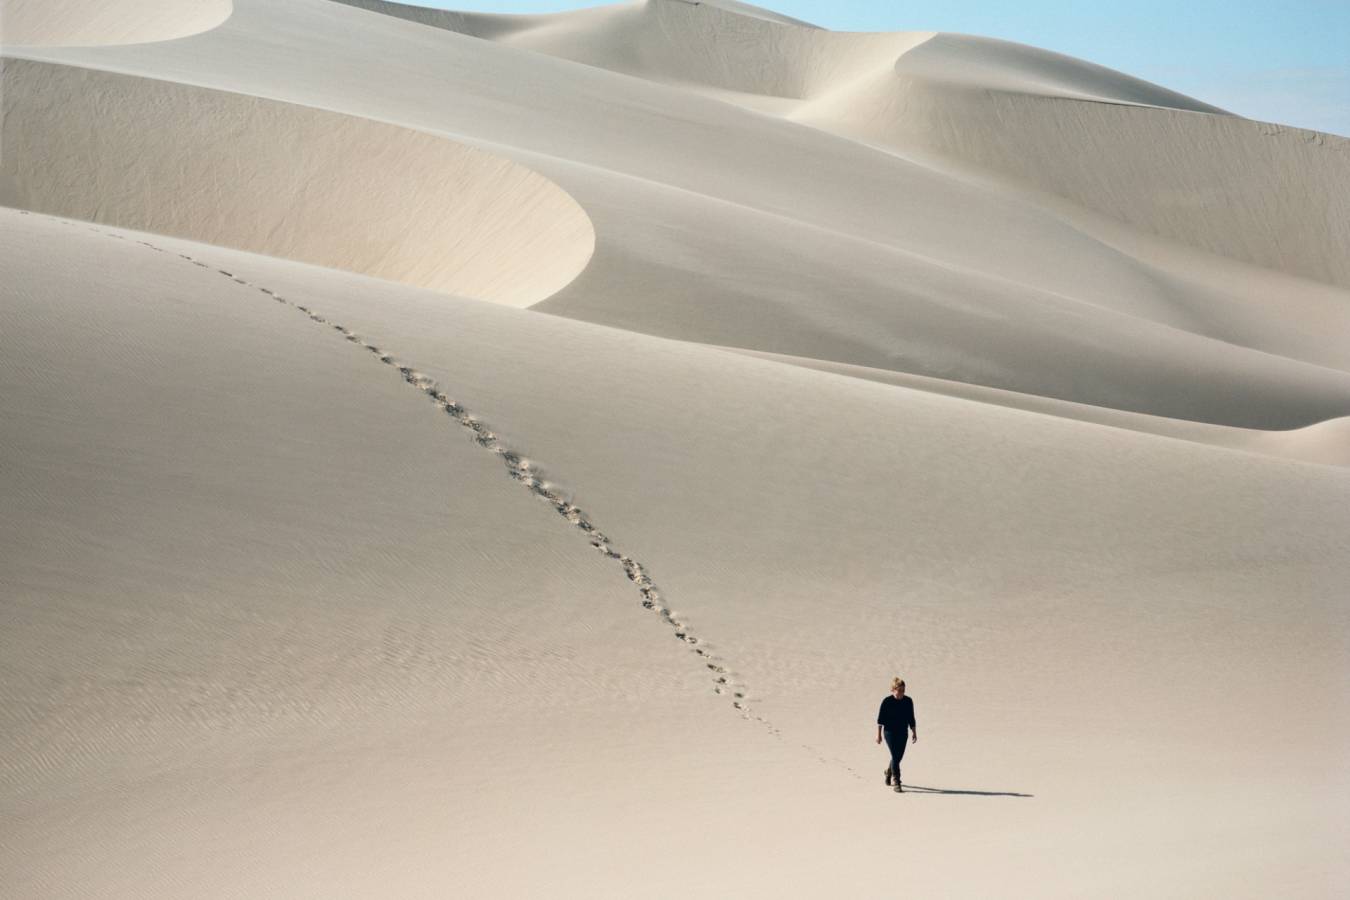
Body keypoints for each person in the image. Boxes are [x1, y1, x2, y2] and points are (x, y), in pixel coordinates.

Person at [875, 677, 917, 792]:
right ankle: (897, 782)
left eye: (903, 690)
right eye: (899, 690)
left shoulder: (908, 701)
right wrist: (878, 735)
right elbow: (880, 720)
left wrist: (914, 732)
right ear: (893, 690)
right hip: (889, 732)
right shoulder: (887, 701)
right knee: (895, 755)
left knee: (898, 757)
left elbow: (911, 718)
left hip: (903, 732)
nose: (901, 693)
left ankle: (888, 771)